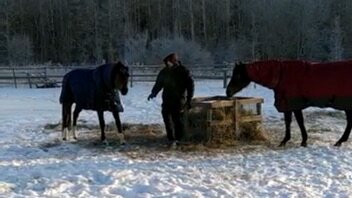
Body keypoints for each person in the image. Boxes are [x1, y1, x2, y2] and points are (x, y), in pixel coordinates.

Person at [148, 53, 195, 147]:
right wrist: (153, 93)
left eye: (169, 62)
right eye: (166, 63)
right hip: (167, 99)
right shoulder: (164, 72)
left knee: (177, 120)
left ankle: (179, 139)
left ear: (174, 61)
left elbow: (191, 85)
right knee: (166, 118)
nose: (167, 64)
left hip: (179, 99)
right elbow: (159, 84)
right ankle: (170, 139)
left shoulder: (183, 71)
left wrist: (189, 99)